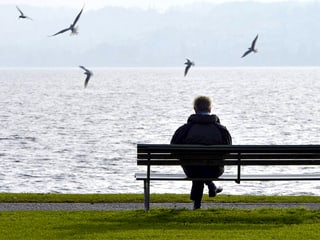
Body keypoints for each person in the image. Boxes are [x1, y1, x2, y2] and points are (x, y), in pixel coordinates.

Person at [170, 96, 232, 209]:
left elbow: (172, 149)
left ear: (195, 109)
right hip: (215, 170)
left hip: (191, 170)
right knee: (203, 167)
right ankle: (210, 186)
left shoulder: (185, 129)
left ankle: (198, 203)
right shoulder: (221, 130)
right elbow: (228, 150)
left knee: (197, 166)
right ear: (210, 109)